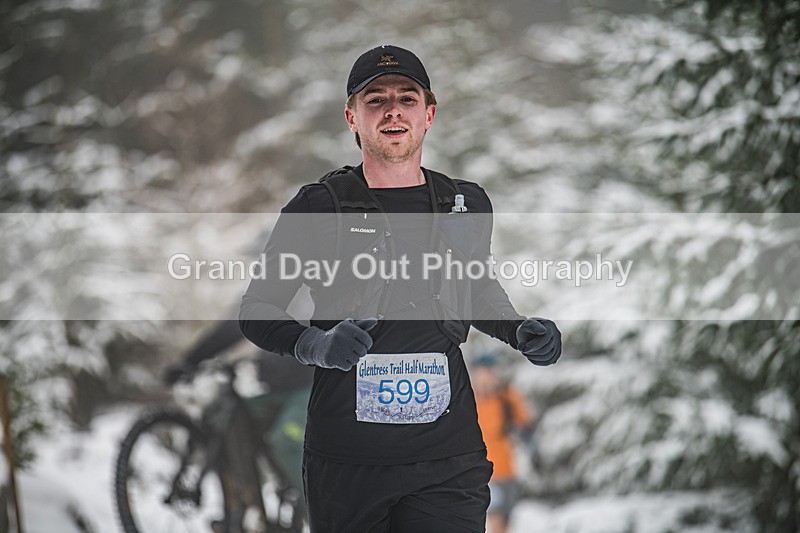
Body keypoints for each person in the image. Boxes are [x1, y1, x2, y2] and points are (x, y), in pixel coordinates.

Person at [239, 44, 561, 532]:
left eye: (406, 98)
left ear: (428, 113)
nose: (393, 110)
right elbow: (258, 307)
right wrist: (315, 344)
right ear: (352, 116)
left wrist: (519, 329)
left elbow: (474, 288)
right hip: (349, 462)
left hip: (449, 459)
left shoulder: (465, 203)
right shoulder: (318, 208)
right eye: (375, 100)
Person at [164, 318, 313, 493]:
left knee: (285, 440)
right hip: (275, 391)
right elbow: (233, 326)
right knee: (228, 419)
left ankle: (322, 514)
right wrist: (190, 361)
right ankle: (245, 502)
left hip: (312, 390)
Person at [472, 353, 534, 533]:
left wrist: (533, 451)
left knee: (506, 522)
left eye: (490, 372)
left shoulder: (507, 398)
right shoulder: (468, 400)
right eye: (482, 372)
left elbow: (526, 427)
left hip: (507, 468)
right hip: (482, 472)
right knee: (495, 518)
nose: (487, 377)